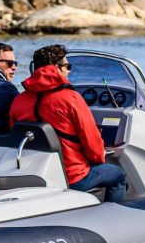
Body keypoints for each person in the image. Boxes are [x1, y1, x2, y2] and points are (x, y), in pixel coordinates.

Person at [10, 44, 126, 202]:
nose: (69, 71)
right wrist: (101, 156)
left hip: (37, 174)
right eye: (67, 66)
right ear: (56, 68)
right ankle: (114, 218)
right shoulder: (71, 98)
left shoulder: (19, 100)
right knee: (118, 176)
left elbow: (14, 138)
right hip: (72, 176)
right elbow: (93, 145)